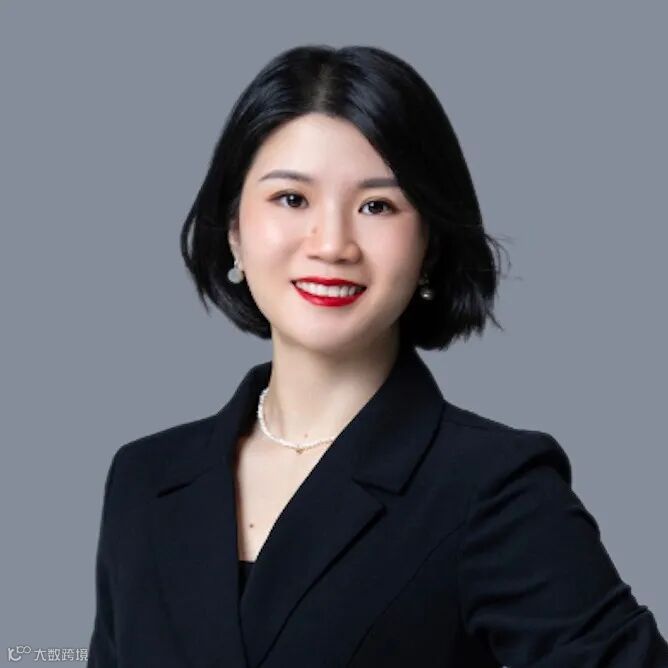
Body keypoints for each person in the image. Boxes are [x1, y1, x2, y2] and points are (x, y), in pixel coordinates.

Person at [87, 44, 668, 667]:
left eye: (377, 206)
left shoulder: (493, 488)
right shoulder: (145, 480)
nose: (332, 244)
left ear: (429, 246)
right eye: (292, 199)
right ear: (233, 228)